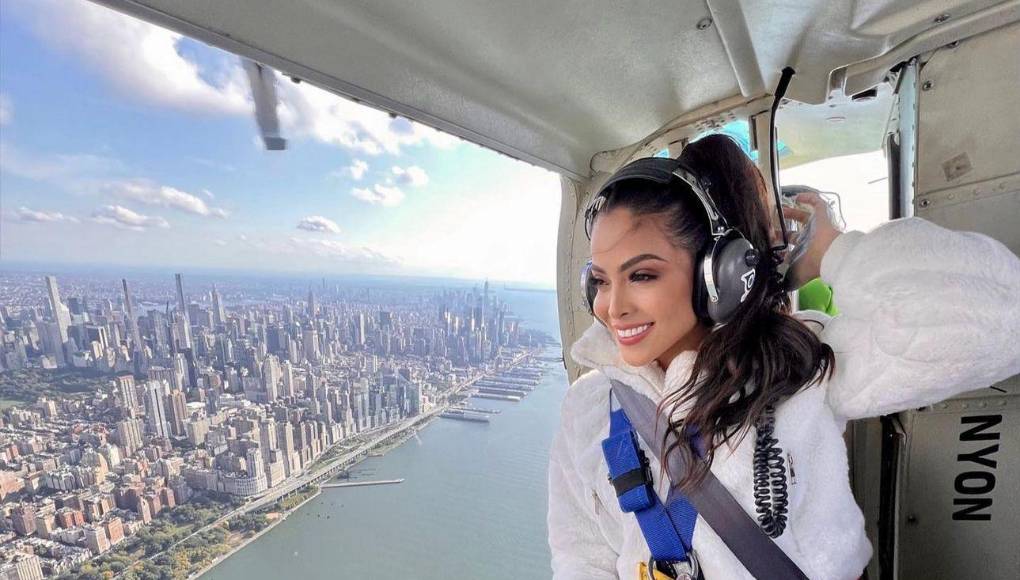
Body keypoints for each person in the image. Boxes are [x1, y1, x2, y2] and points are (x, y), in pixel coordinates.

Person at [547, 134, 1020, 579]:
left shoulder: (801, 366)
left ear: (720, 274)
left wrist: (832, 251)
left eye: (642, 275)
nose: (611, 307)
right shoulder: (590, 408)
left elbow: (1000, 319)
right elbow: (582, 556)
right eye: (601, 279)